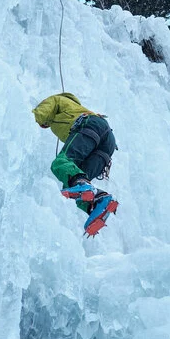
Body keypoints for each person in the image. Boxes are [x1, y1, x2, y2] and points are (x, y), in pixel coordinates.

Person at [33, 92, 119, 234]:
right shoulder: (75, 108)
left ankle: (86, 189)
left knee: (61, 163)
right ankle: (99, 202)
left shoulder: (56, 99)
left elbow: (38, 114)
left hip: (90, 125)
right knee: (74, 184)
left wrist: (29, 115)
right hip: (108, 142)